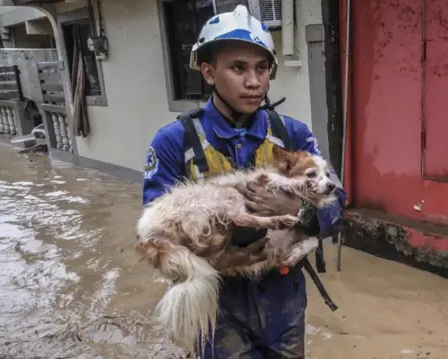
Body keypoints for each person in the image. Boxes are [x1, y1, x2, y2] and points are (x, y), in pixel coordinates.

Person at [141, 5, 347, 358]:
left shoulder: (292, 135)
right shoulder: (175, 141)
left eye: (262, 68)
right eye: (238, 68)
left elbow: (339, 205)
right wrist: (216, 259)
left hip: (283, 296)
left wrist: (301, 210)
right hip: (217, 303)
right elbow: (154, 236)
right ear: (208, 71)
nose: (254, 81)